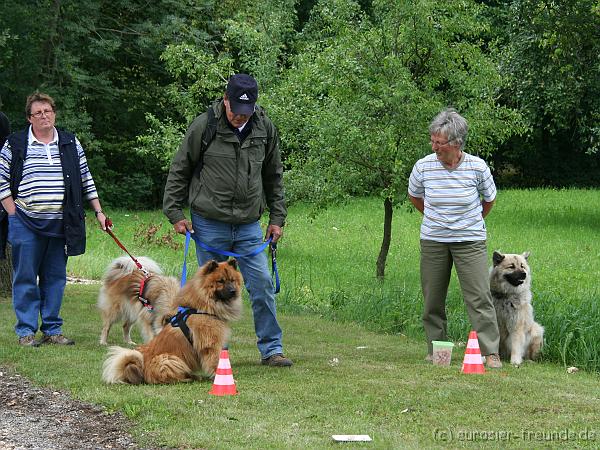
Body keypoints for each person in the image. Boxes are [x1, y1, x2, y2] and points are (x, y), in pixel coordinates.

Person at [163, 74, 292, 367]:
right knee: (208, 294)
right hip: (209, 223)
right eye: (234, 109)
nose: (238, 116)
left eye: (244, 111)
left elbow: (274, 177)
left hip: (248, 225)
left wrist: (277, 218)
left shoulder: (265, 129)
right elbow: (180, 168)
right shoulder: (204, 126)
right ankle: (218, 353)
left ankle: (272, 349)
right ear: (225, 100)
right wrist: (175, 213)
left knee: (262, 285)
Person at [0, 92, 106, 347]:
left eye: (47, 111)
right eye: (38, 112)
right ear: (29, 118)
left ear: (54, 113)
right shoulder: (14, 143)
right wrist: (13, 213)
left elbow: (85, 178)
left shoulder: (70, 142)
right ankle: (26, 331)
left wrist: (99, 211)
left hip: (62, 223)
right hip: (25, 221)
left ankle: (52, 329)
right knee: (25, 277)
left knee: (56, 278)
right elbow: (1, 180)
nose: (44, 116)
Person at [408, 108, 502, 369]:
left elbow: (489, 199)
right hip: (433, 241)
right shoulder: (423, 166)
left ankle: (490, 352)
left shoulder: (477, 166)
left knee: (479, 297)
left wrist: (471, 223)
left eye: (439, 142)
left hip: (470, 242)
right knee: (433, 297)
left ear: (456, 143)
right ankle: (436, 350)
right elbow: (415, 196)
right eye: (433, 141)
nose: (434, 146)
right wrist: (435, 218)